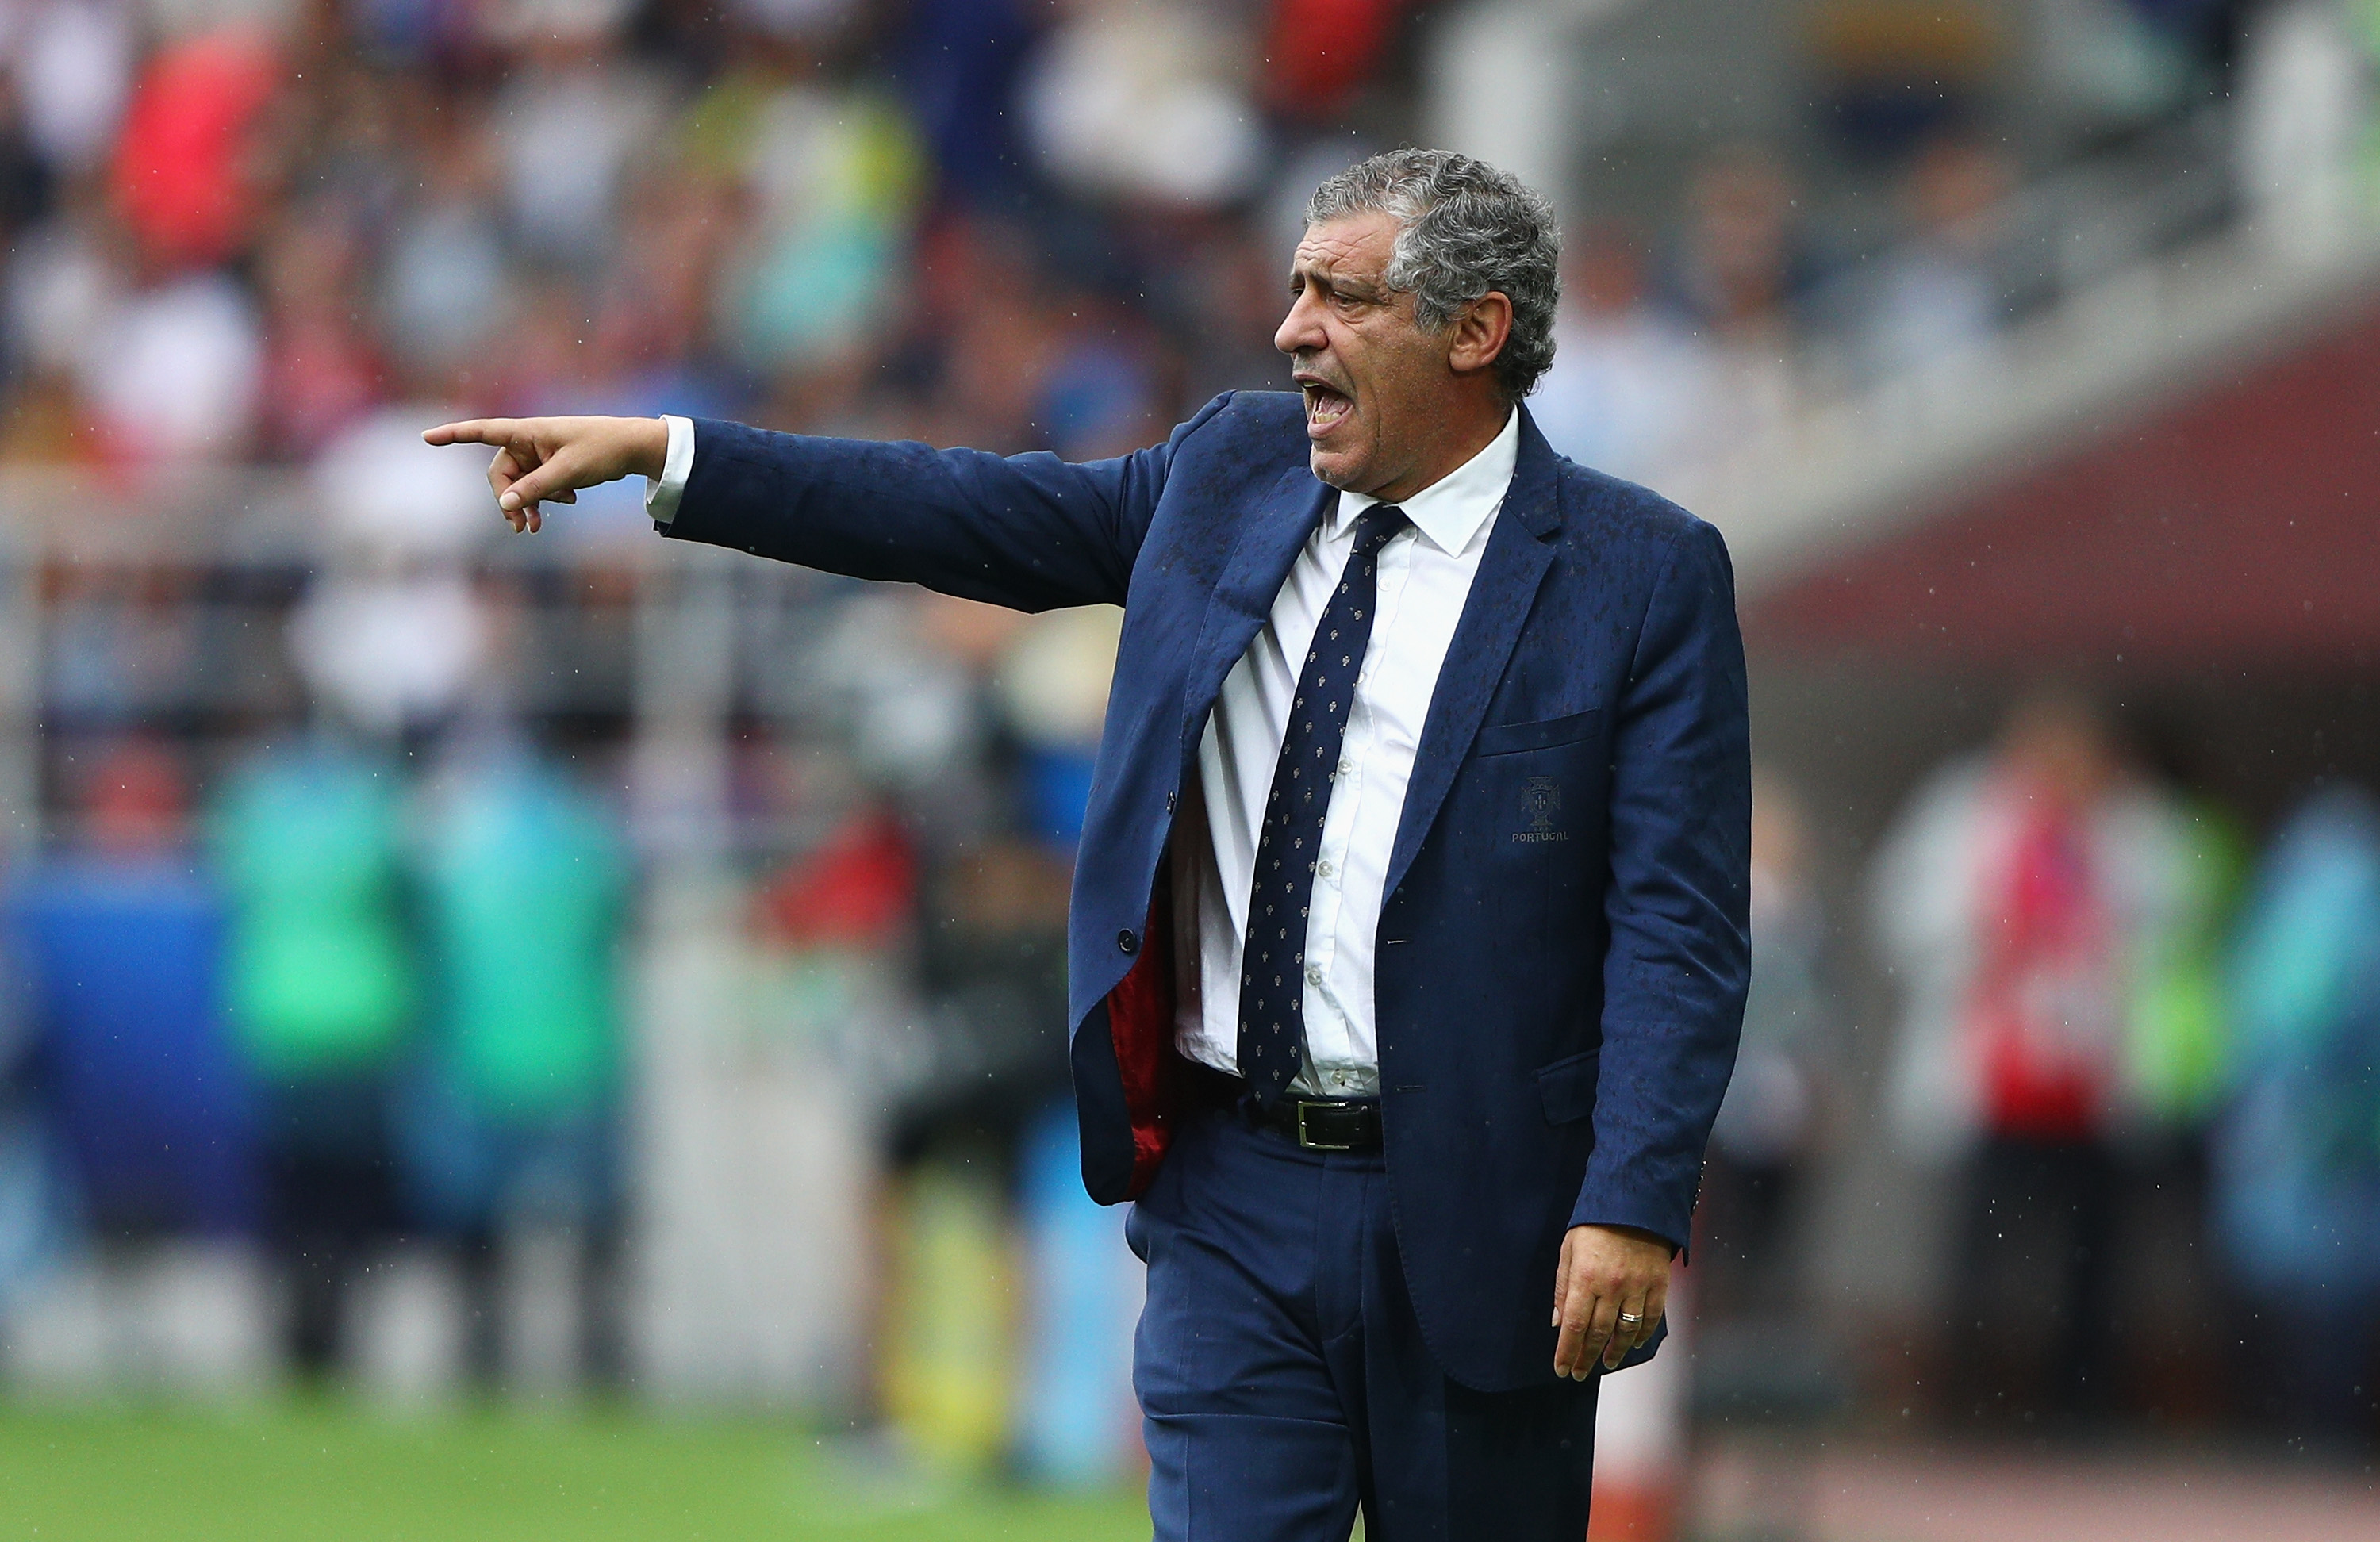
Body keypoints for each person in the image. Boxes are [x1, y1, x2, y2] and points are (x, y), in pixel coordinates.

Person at [425, 148, 1750, 1540]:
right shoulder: (1228, 468)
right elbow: (959, 510)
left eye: (1342, 298)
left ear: (1475, 330)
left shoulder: (1641, 575)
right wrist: (679, 455)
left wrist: (1634, 1202)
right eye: (1294, 289)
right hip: (1232, 1193)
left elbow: (1676, 924)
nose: (1293, 327)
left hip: (1492, 1211)